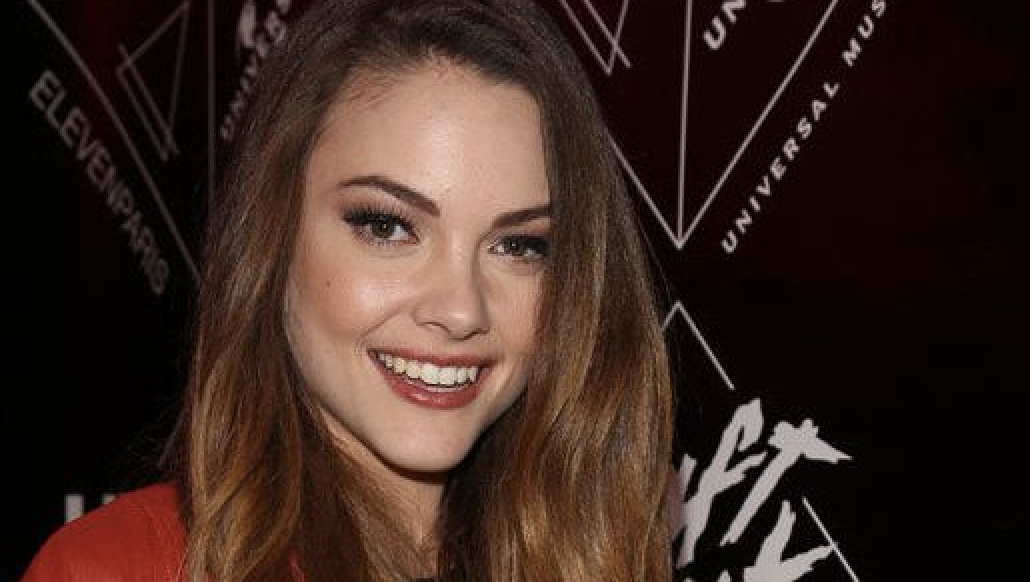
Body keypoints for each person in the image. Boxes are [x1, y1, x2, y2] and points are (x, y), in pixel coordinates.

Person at [20, 0, 674, 580]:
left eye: (520, 246)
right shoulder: (118, 570)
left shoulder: (602, 557)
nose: (460, 310)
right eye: (387, 226)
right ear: (274, 238)